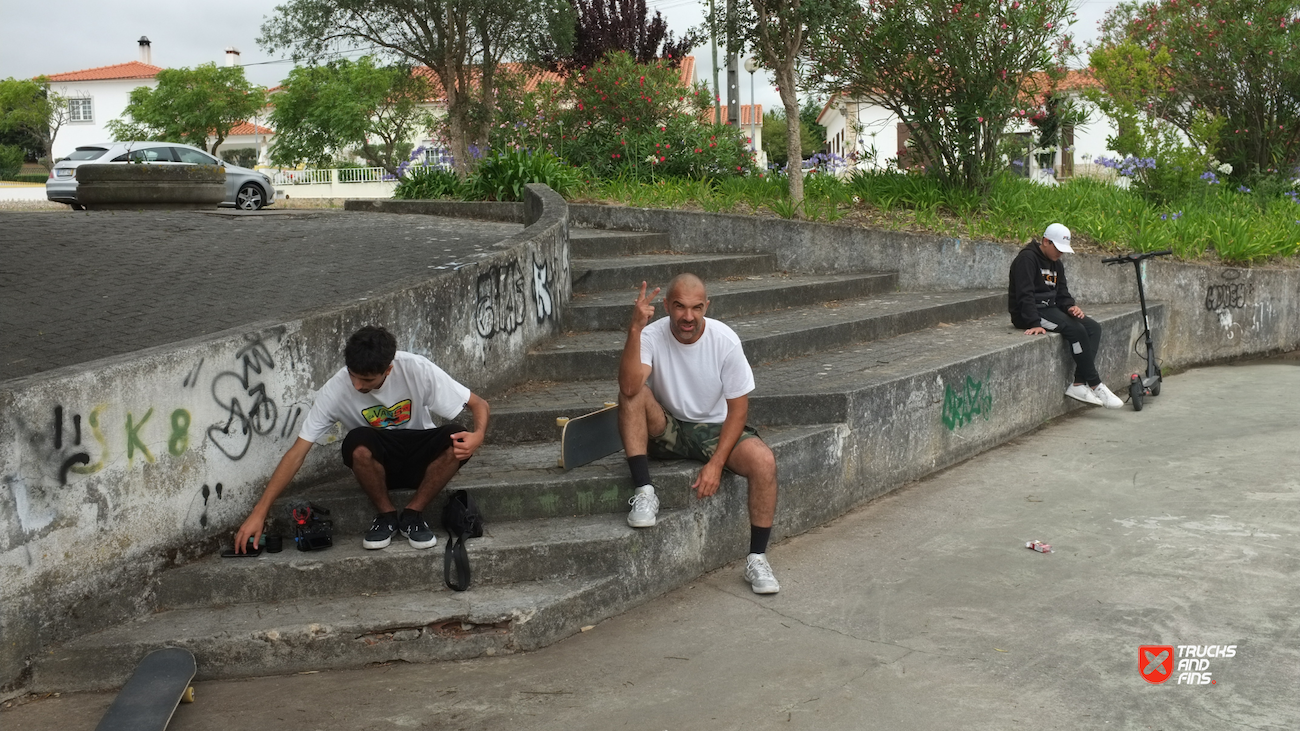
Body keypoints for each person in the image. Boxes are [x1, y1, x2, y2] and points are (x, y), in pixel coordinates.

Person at [234, 325, 489, 552]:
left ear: (388, 369)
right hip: (378, 465)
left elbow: (479, 404)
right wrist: (260, 511)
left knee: (455, 433)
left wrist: (477, 437)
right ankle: (387, 516)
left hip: (421, 461)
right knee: (356, 440)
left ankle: (413, 515)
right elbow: (297, 453)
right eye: (352, 375)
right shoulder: (336, 389)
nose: (356, 386)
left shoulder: (417, 368)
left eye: (366, 380)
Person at [617, 273, 782, 594]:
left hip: (716, 429)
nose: (687, 316)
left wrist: (717, 464)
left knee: (764, 462)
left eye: (696, 308)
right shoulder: (650, 334)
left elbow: (738, 411)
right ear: (666, 305)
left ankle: (757, 559)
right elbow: (628, 386)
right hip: (668, 426)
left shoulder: (725, 341)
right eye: (679, 307)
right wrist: (635, 328)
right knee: (633, 393)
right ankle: (644, 491)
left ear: (707, 306)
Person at [1009, 223, 1123, 409]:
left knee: (1093, 327)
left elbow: (1062, 293)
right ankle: (1095, 384)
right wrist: (1034, 322)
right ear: (1046, 241)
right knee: (1075, 329)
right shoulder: (1027, 259)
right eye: (1058, 249)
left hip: (1051, 309)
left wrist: (1070, 307)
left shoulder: (1056, 263)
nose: (1060, 254)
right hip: (1029, 313)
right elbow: (1024, 294)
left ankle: (1078, 383)